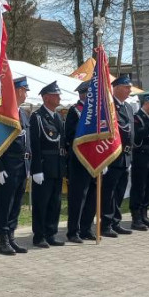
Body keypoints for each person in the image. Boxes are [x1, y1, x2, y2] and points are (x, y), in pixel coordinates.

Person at [0, 76, 31, 255]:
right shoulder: (4, 113)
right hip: (8, 165)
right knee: (5, 204)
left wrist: (29, 164)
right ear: (17, 91)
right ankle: (2, 240)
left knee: (16, 203)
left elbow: (27, 138)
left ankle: (11, 237)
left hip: (22, 165)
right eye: (25, 90)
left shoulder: (23, 113)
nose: (26, 94)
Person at [29, 81, 66, 248]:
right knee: (41, 203)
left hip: (57, 166)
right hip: (44, 166)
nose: (59, 98)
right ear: (46, 98)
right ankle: (39, 235)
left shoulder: (57, 117)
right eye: (55, 95)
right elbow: (34, 145)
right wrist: (36, 169)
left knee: (55, 202)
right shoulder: (37, 117)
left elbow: (62, 143)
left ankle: (51, 233)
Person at [101, 74, 134, 237]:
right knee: (109, 193)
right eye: (126, 87)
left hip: (126, 157)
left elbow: (130, 132)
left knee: (120, 191)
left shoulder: (128, 107)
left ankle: (116, 221)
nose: (129, 90)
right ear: (117, 88)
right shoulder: (109, 106)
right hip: (113, 156)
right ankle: (105, 224)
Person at [64, 81, 97, 243]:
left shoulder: (98, 111)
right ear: (84, 94)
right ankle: (73, 231)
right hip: (79, 160)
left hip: (95, 159)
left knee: (92, 196)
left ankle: (86, 228)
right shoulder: (75, 111)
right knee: (78, 197)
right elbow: (70, 135)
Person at [129, 94, 149, 230]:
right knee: (139, 188)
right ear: (147, 103)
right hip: (141, 157)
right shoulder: (137, 118)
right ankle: (136, 217)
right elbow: (138, 135)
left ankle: (144, 214)